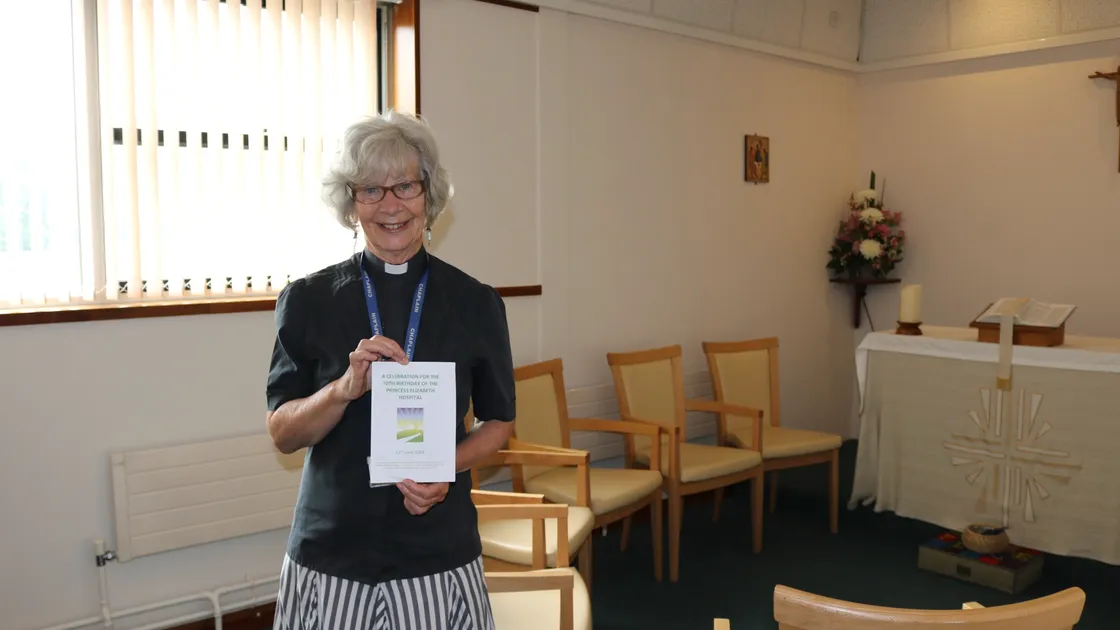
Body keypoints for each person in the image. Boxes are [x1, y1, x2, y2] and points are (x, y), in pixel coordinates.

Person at [265, 111, 517, 629]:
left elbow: (499, 424)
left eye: (404, 185)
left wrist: (444, 466)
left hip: (436, 550)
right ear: (351, 205)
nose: (390, 205)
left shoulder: (476, 302)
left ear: (429, 195)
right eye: (371, 190)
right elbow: (284, 434)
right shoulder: (308, 300)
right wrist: (343, 388)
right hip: (333, 550)